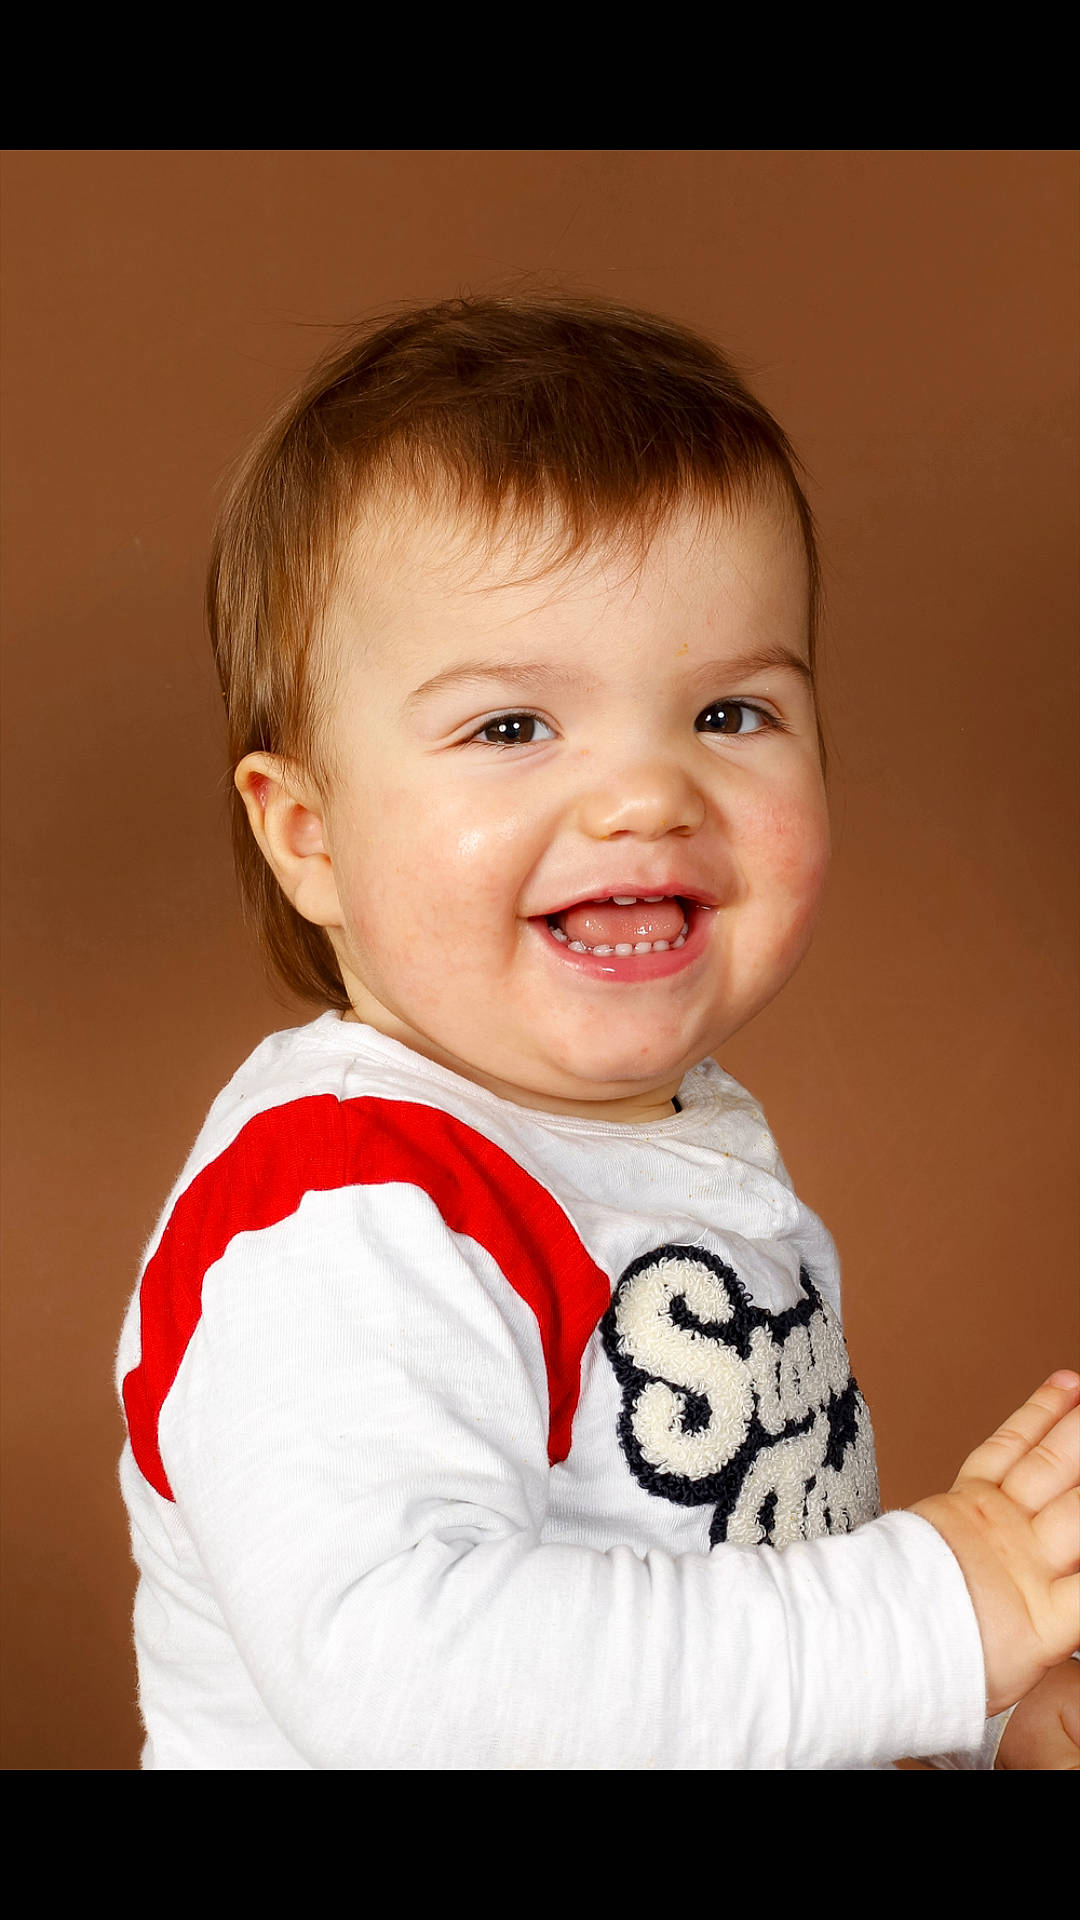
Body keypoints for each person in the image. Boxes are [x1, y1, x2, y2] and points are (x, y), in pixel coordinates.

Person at [117, 295, 1079, 1769]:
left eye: (730, 714)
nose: (646, 793)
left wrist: (981, 1715)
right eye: (511, 728)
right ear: (309, 835)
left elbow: (705, 1606)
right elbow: (422, 1689)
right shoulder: (338, 1214)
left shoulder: (671, 1143)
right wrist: (944, 1611)